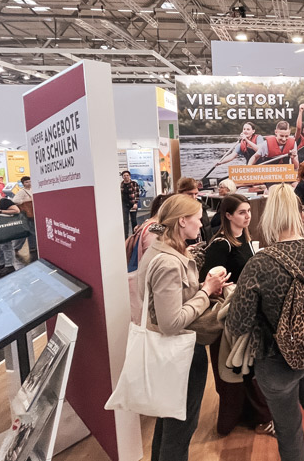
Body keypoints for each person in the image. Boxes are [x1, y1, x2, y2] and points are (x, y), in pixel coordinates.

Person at [227, 183, 304, 461]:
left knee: (289, 427)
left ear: (269, 217)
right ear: (299, 214)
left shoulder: (259, 264)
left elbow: (238, 323)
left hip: (275, 360)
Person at [137, 194, 230, 461]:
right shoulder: (168, 261)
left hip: (176, 351)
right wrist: (206, 291)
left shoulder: (164, 250)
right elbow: (171, 323)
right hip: (181, 351)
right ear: (181, 222)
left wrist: (202, 289)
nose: (201, 224)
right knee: (181, 425)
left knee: (170, 421)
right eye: (197, 218)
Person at [199, 194, 275, 437]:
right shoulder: (222, 244)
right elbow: (207, 280)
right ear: (228, 215)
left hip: (246, 314)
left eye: (249, 211)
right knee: (237, 370)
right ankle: (257, 417)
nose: (248, 216)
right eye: (242, 212)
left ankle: (253, 415)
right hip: (229, 319)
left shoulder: (245, 239)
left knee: (247, 367)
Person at [177, 177, 211, 243]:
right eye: (189, 194)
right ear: (180, 193)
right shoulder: (176, 210)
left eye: (196, 194)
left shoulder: (201, 207)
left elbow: (207, 229)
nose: (194, 197)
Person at [11, 176, 36, 258]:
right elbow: (15, 200)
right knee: (25, 230)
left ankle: (33, 247)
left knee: (32, 230)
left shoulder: (33, 189)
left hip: (32, 213)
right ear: (23, 183)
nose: (29, 183)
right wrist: (26, 201)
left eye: (29, 181)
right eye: (26, 182)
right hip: (26, 213)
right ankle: (16, 248)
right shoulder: (21, 192)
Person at [121, 170, 140, 238]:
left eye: (127, 175)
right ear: (122, 177)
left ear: (129, 176)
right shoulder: (121, 184)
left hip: (132, 204)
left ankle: (134, 234)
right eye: (124, 176)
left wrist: (136, 203)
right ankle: (125, 236)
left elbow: (137, 194)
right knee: (125, 220)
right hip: (124, 204)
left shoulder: (134, 184)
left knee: (134, 220)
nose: (126, 177)